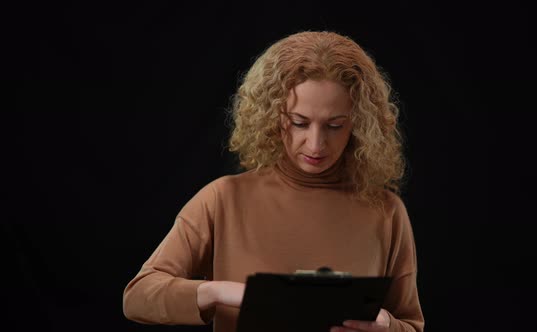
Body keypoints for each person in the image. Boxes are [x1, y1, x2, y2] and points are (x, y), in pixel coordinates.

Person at [123, 30, 425, 332]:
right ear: (272, 114)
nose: (316, 144)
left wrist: (386, 326)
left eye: (335, 125)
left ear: (360, 124)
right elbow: (138, 297)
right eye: (299, 123)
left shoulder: (386, 211)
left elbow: (411, 325)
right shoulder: (222, 200)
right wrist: (219, 291)